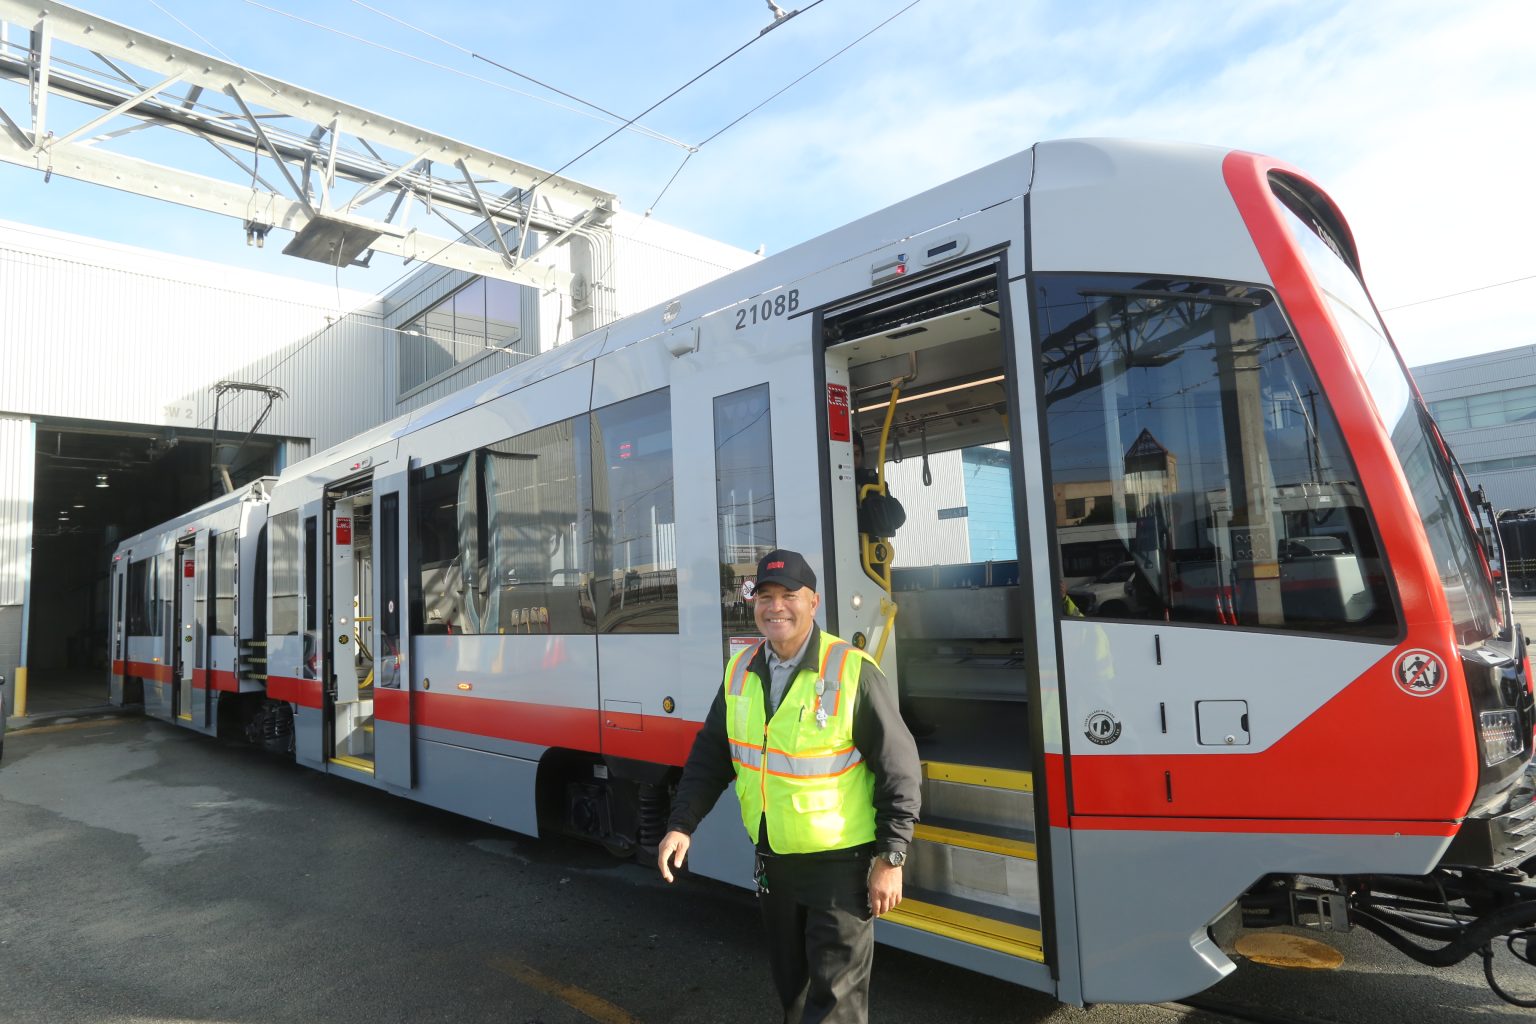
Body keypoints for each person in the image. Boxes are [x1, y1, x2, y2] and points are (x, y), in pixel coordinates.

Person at [658, 549, 922, 1024]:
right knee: (793, 993)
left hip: (840, 866)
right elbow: (712, 755)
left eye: (788, 595)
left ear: (814, 602)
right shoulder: (740, 670)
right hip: (773, 861)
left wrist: (892, 857)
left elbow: (898, 769)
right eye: (765, 596)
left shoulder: (851, 670)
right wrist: (682, 823)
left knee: (835, 1004)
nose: (775, 606)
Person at [852, 434, 905, 539]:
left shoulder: (873, 480)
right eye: (848, 454)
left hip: (871, 546)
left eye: (856, 454)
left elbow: (897, 517)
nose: (852, 459)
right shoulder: (830, 484)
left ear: (862, 456)